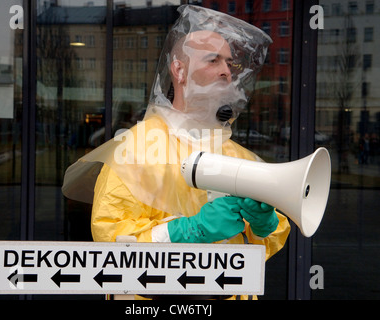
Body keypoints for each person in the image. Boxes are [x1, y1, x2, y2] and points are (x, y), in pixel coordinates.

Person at [62, 5, 290, 300]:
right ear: (179, 70)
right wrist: (188, 231)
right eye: (213, 60)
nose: (225, 71)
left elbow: (258, 249)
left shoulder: (236, 156)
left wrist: (264, 226)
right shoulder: (136, 149)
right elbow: (112, 239)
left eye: (230, 64)